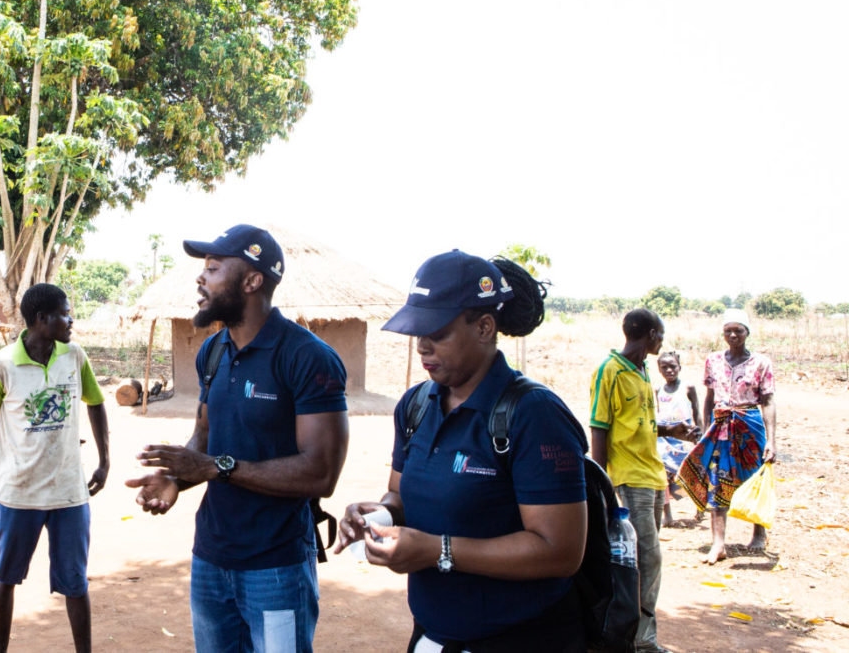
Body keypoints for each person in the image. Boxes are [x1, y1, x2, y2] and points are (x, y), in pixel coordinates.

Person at [335, 250, 588, 653]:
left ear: (485, 327)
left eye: (437, 332)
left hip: (521, 640)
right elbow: (401, 495)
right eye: (418, 333)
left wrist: (438, 551)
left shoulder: (534, 415)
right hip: (433, 637)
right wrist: (378, 515)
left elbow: (559, 551)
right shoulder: (416, 406)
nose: (422, 346)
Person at [126, 224, 349, 653]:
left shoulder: (307, 357)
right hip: (210, 557)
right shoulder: (212, 351)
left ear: (252, 280)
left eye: (212, 267)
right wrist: (178, 478)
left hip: (277, 565)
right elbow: (205, 436)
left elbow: (321, 474)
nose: (200, 278)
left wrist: (212, 468)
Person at [0, 283, 110, 653]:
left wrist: (104, 460)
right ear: (41, 319)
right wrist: (28, 434)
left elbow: (95, 403)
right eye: (65, 313)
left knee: (75, 582)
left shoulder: (74, 356)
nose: (71, 320)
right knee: (6, 577)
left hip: (69, 492)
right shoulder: (1, 365)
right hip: (19, 492)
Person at [590, 309, 691, 653]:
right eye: (660, 334)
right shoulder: (610, 370)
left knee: (645, 561)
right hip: (629, 479)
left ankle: (636, 635)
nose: (662, 341)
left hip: (653, 475)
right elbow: (600, 428)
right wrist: (599, 487)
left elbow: (639, 423)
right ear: (649, 334)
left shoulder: (642, 369)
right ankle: (638, 640)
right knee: (646, 560)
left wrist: (670, 430)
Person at [677, 309, 778, 564]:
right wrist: (706, 429)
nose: (733, 335)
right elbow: (709, 398)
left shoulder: (761, 362)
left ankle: (758, 533)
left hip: (750, 426)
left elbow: (768, 401)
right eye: (728, 331)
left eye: (738, 330)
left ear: (747, 333)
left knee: (754, 477)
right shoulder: (713, 360)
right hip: (721, 427)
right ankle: (718, 543)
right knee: (718, 479)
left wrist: (772, 440)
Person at [654, 351, 702, 526]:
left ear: (679, 367)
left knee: (690, 472)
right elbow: (659, 412)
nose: (669, 370)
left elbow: (697, 412)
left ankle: (700, 506)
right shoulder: (658, 390)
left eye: (672, 366)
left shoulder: (688, 388)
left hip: (685, 436)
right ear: (659, 370)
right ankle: (668, 514)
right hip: (665, 437)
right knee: (663, 475)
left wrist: (699, 437)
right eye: (664, 367)